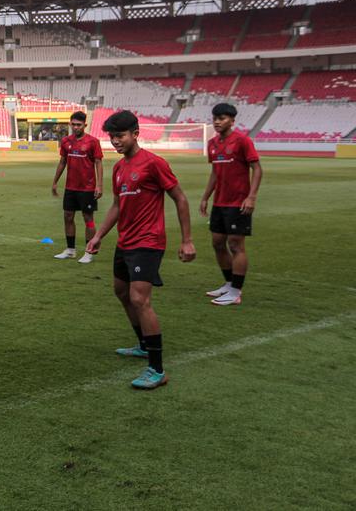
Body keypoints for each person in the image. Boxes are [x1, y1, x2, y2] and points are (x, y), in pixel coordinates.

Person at [85, 110, 195, 390]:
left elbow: (179, 198)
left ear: (135, 133)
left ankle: (157, 369)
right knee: (121, 291)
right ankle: (144, 346)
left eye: (120, 136)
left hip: (149, 241)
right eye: (111, 137)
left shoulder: (154, 164)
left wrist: (187, 239)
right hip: (126, 241)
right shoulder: (119, 168)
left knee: (139, 298)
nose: (115, 141)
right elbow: (118, 205)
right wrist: (98, 236)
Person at [200, 102, 262, 306]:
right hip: (220, 202)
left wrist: (251, 197)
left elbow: (257, 169)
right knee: (217, 243)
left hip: (238, 202)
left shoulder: (242, 141)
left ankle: (236, 291)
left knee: (236, 245)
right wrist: (206, 196)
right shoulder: (212, 143)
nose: (217, 122)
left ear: (232, 121)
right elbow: (214, 173)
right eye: (215, 118)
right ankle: (228, 283)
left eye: (222, 118)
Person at [51, 111, 104, 264]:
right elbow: (62, 162)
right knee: (68, 217)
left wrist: (99, 185)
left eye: (78, 125)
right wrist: (55, 182)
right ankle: (70, 250)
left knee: (88, 219)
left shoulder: (93, 142)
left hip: (87, 188)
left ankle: (89, 252)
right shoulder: (66, 141)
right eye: (73, 124)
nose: (75, 127)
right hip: (70, 187)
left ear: (85, 125)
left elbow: (98, 163)